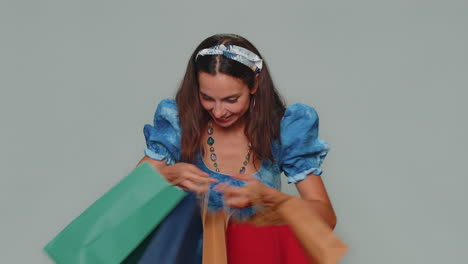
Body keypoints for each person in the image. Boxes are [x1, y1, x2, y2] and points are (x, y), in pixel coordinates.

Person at [137, 33, 337, 263]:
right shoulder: (179, 122)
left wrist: (269, 197)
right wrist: (166, 175)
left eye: (231, 99)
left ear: (255, 84)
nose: (219, 111)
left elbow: (327, 219)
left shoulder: (282, 130)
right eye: (207, 98)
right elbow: (126, 200)